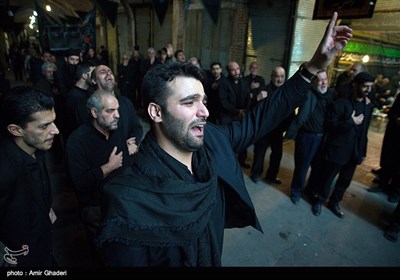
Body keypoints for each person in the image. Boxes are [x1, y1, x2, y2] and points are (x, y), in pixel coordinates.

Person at [96, 12, 353, 266]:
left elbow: (260, 118)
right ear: (156, 112)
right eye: (189, 102)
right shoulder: (127, 202)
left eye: (203, 101)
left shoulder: (213, 141)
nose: (204, 111)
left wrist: (312, 68)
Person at [65, 90, 140, 265]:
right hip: (96, 210)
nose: (117, 116)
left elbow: (126, 164)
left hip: (122, 204)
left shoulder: (117, 130)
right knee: (103, 253)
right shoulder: (77, 141)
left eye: (118, 110)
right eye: (110, 111)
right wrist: (108, 167)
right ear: (94, 112)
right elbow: (79, 183)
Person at [0, 87, 59, 266]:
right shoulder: (5, 171)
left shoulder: (38, 145)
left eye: (53, 122)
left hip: (44, 245)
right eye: (44, 126)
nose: (55, 130)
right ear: (16, 130)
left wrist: (44, 207)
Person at [309, 72, 374, 218]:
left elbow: (365, 132)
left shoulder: (368, 106)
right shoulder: (341, 104)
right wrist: (351, 122)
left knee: (345, 181)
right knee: (327, 179)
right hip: (338, 151)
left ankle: (334, 202)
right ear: (355, 85)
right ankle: (319, 201)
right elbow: (330, 126)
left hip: (354, 152)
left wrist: (363, 152)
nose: (368, 90)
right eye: (365, 87)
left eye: (370, 87)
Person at [285, 70, 336, 204]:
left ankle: (310, 189)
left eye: (325, 79)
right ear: (314, 82)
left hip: (323, 138)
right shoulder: (307, 94)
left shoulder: (331, 95)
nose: (324, 83)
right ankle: (296, 191)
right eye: (320, 80)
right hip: (307, 137)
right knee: (302, 166)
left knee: (318, 167)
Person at [249, 66, 291, 184]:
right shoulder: (263, 90)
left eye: (282, 76)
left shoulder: (287, 92)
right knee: (259, 153)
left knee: (277, 155)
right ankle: (256, 174)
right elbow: (252, 109)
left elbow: (290, 112)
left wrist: (288, 129)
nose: (279, 79)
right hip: (264, 130)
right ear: (272, 77)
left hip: (278, 131)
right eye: (277, 76)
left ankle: (271, 176)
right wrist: (257, 99)